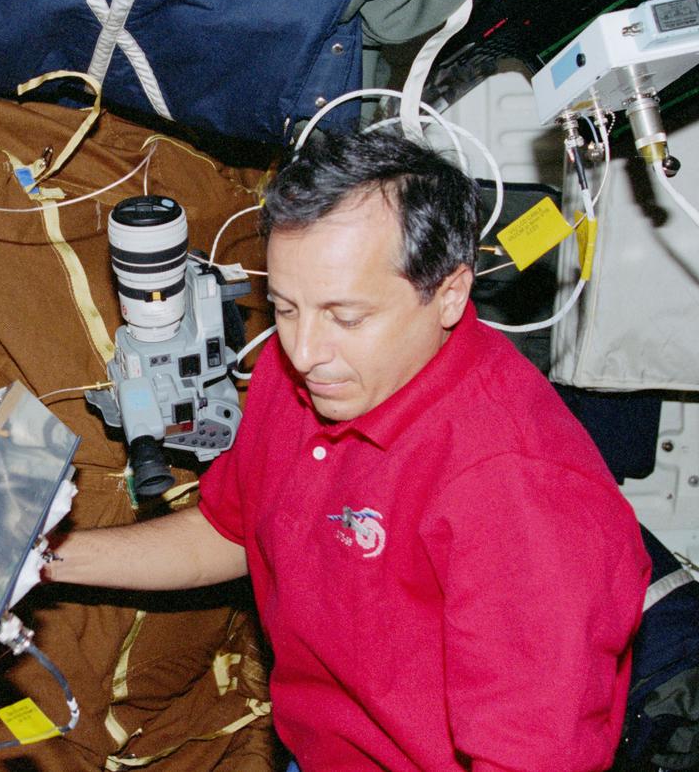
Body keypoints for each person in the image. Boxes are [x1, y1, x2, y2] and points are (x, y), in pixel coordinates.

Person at [46, 129, 651, 771]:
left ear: (449, 293)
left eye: (347, 317)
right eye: (284, 307)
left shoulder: (519, 492)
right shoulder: (306, 370)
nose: (304, 352)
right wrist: (37, 559)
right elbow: (233, 530)